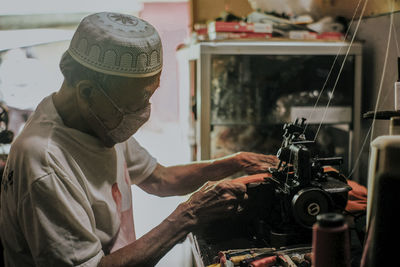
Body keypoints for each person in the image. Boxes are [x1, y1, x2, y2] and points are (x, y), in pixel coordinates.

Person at [0, 12, 278, 267]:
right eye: (136, 102)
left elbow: (159, 178)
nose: (143, 112)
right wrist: (188, 216)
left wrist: (235, 162)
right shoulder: (45, 162)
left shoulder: (97, 121)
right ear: (86, 92)